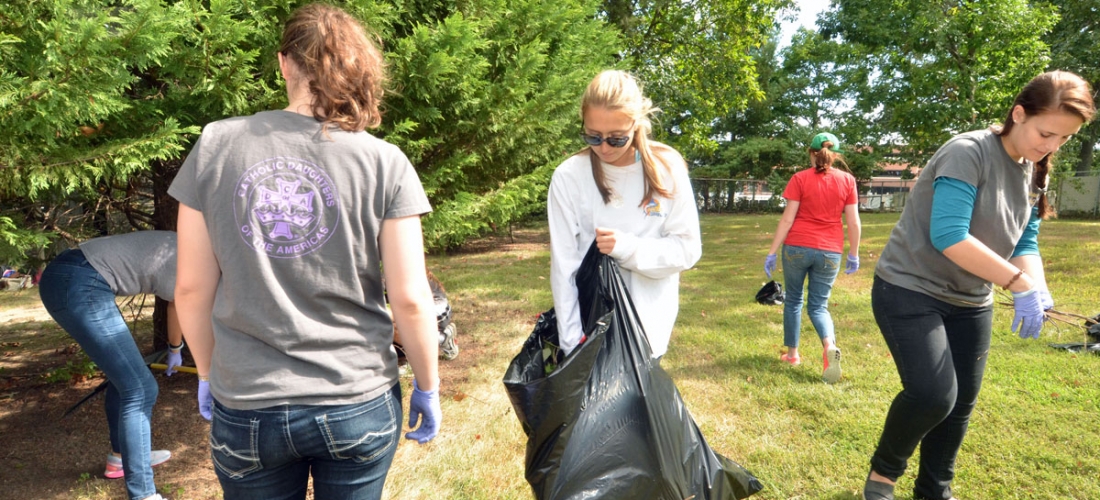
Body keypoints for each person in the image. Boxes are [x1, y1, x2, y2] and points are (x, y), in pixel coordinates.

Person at [169, 4, 441, 499]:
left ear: (284, 64)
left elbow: (189, 288)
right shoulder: (385, 162)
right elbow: (410, 297)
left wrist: (208, 373)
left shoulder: (216, 145)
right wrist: (427, 384)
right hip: (356, 397)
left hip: (249, 402)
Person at [862, 70, 1095, 500]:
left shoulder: (1033, 169)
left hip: (971, 298)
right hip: (910, 288)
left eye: (1063, 139)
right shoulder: (968, 152)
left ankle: (935, 491)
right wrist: (1017, 282)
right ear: (1018, 114)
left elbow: (1025, 238)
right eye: (1046, 133)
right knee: (934, 394)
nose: (1051, 147)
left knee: (960, 405)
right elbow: (949, 234)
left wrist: (1037, 286)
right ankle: (882, 477)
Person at [548, 69, 701, 360]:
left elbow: (688, 250)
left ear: (637, 125)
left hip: (649, 332)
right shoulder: (569, 176)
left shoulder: (667, 169)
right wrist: (571, 344)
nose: (604, 148)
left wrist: (627, 248)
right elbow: (563, 267)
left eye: (617, 139)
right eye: (593, 136)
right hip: (589, 334)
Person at [38, 230, 182, 500]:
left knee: (126, 378)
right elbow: (181, 304)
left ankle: (120, 457)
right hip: (80, 279)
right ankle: (143, 494)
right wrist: (176, 349)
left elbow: (176, 302)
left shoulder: (182, 242)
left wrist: (176, 349)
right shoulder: (189, 253)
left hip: (68, 274)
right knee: (140, 389)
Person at [764, 132, 861, 384]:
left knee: (794, 300)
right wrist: (854, 254)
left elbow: (787, 219)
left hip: (796, 246)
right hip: (830, 250)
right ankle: (829, 345)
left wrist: (772, 252)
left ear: (811, 153)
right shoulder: (848, 180)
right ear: (836, 155)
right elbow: (853, 221)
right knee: (819, 306)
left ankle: (793, 355)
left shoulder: (799, 179)